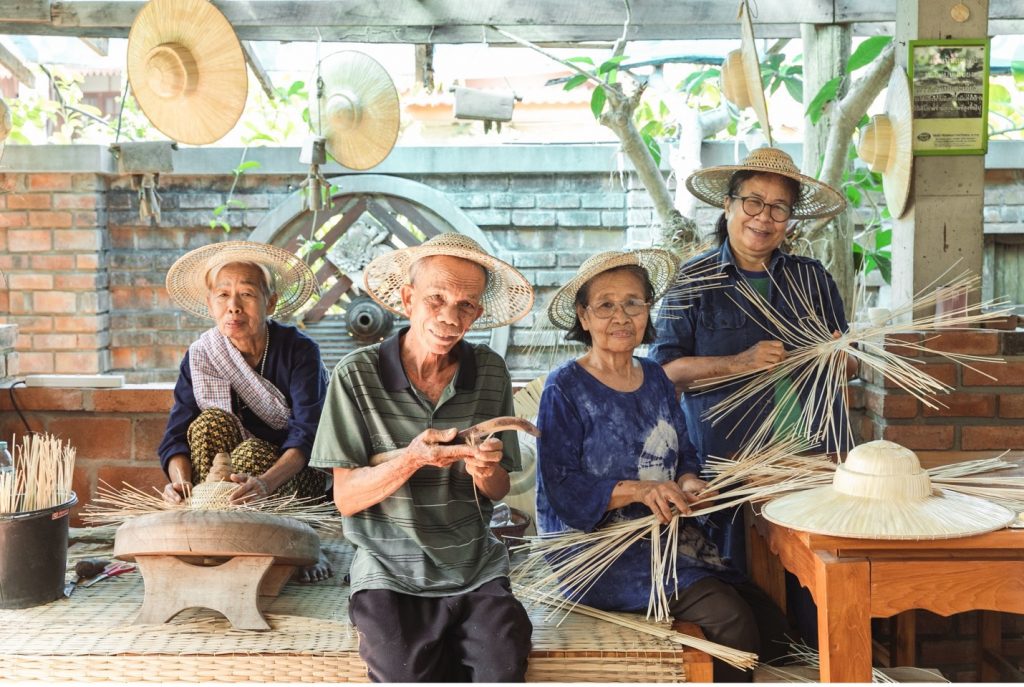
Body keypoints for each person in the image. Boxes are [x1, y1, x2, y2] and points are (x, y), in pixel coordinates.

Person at [536, 249, 790, 683]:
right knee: (731, 621)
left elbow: (683, 452)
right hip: (598, 552)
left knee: (774, 627)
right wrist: (640, 490)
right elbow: (562, 489)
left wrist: (689, 481)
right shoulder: (565, 387)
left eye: (633, 302)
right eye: (605, 305)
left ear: (648, 309)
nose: (621, 316)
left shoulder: (655, 377)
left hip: (666, 537)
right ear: (583, 316)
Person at [310, 233, 535, 682]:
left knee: (503, 665)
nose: (450, 317)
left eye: (466, 305)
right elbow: (346, 499)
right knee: (404, 672)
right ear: (408, 298)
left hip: (473, 565)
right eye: (436, 299)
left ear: (478, 313)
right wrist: (411, 459)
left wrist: (485, 470)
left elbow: (497, 490)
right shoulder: (357, 375)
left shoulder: (489, 371)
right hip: (388, 568)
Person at [649, 147, 855, 571]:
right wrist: (739, 362)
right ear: (728, 205)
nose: (764, 218)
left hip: (812, 457)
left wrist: (838, 359)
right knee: (740, 577)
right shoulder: (692, 280)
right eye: (753, 202)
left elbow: (849, 365)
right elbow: (666, 375)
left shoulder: (812, 278)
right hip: (729, 465)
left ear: (790, 219)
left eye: (779, 208)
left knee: (813, 578)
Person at [157, 241, 331, 581]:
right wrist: (180, 485)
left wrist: (264, 484)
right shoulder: (203, 354)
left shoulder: (299, 351)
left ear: (271, 302)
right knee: (208, 424)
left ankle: (301, 539)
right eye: (223, 295)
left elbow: (308, 435)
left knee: (250, 453)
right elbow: (175, 436)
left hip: (294, 477)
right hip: (226, 482)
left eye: (247, 294)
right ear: (210, 304)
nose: (233, 307)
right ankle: (210, 531)